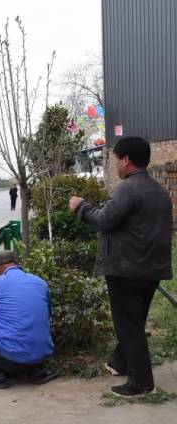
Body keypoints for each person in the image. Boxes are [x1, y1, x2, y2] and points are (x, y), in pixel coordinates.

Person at [69, 136, 173, 398]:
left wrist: (81, 206)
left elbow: (105, 219)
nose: (115, 164)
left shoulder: (127, 188)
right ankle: (120, 362)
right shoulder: (158, 190)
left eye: (117, 159)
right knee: (134, 321)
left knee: (128, 325)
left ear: (126, 160)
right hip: (151, 268)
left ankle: (141, 383)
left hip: (127, 269)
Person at [0, 251, 56, 389]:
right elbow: (49, 314)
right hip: (40, 357)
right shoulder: (40, 283)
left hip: (9, 361)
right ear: (17, 264)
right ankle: (39, 371)